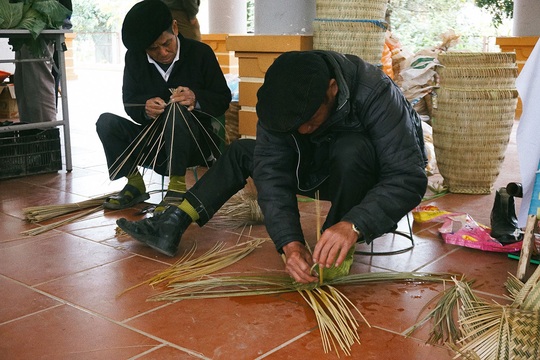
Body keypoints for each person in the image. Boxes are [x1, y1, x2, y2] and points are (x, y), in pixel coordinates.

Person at [117, 50, 428, 284]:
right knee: (243, 151)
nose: (303, 130)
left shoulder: (375, 92)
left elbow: (407, 176)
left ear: (332, 88)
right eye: (295, 126)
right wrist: (289, 245)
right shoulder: (280, 98)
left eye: (309, 121)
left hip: (358, 176)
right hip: (311, 168)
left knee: (352, 149)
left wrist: (355, 224)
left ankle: (334, 248)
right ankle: (174, 220)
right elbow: (272, 171)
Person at [96, 0, 231, 210]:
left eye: (166, 43)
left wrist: (196, 98)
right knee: (105, 122)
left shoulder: (200, 53)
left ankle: (176, 188)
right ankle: (134, 184)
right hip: (154, 144)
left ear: (175, 28)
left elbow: (222, 98)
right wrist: (144, 108)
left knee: (176, 110)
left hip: (195, 144)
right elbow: (129, 101)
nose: (163, 53)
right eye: (153, 49)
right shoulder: (135, 59)